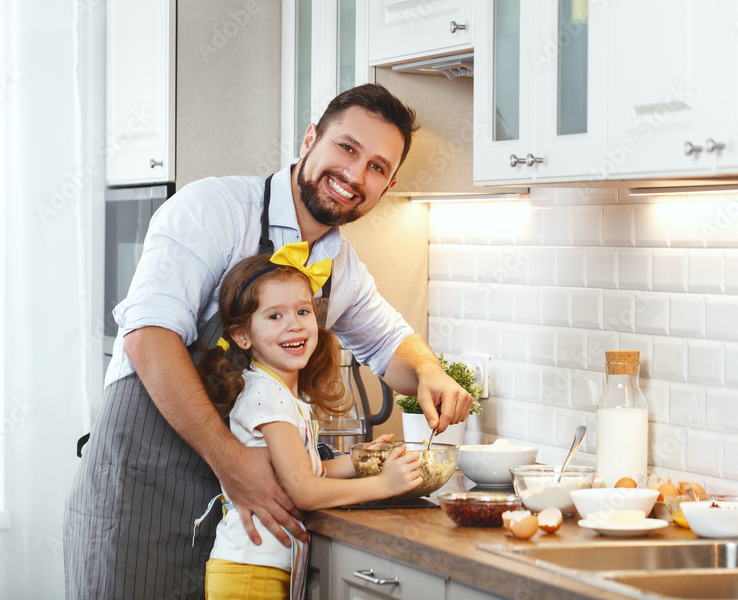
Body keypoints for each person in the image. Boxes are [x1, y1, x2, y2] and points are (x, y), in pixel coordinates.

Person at [64, 83, 474, 600]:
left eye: (376, 167)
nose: (354, 175)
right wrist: (232, 462)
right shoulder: (214, 208)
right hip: (142, 501)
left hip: (242, 537)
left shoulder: (338, 265)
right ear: (310, 139)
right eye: (346, 148)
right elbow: (148, 339)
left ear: (388, 186)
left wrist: (432, 374)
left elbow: (393, 344)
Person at [199, 246, 422, 599]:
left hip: (254, 569)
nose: (294, 324)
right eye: (274, 316)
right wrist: (385, 485)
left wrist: (359, 461)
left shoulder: (278, 391)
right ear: (243, 336)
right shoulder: (268, 397)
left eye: (303, 310)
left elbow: (302, 471)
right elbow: (302, 489)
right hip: (249, 576)